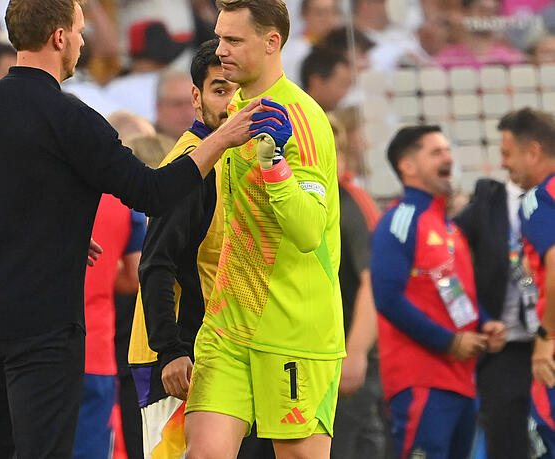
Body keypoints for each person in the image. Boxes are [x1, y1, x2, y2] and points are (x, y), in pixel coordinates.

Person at [0, 0, 270, 456]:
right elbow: (152, 192)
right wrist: (221, 139)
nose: (83, 43)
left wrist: (54, 231)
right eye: (80, 32)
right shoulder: (69, 117)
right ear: (59, 37)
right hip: (40, 324)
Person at [184, 0, 344, 457]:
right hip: (228, 326)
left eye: (234, 40)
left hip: (293, 331)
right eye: (220, 37)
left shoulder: (303, 118)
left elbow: (308, 231)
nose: (221, 50)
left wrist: (274, 165)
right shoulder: (237, 109)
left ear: (272, 42)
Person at [128, 37, 275, 459]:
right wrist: (170, 351)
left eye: (240, 91)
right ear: (196, 97)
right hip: (181, 362)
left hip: (225, 352)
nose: (232, 105)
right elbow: (155, 264)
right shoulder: (190, 166)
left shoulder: (243, 161)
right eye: (219, 90)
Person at [370, 125, 507, 459]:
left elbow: (454, 293)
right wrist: (449, 342)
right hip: (422, 380)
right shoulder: (401, 219)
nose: (448, 158)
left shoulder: (448, 227)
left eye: (447, 150)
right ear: (408, 166)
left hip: (462, 381)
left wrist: (484, 323)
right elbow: (387, 298)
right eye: (436, 152)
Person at [453, 173, 536, 457]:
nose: (504, 162)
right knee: (505, 441)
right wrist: (482, 318)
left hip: (546, 342)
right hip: (504, 346)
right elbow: (448, 265)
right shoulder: (488, 203)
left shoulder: (546, 203)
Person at [496, 108, 555, 453]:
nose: (504, 164)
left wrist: (547, 337)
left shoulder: (540, 199)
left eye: (507, 154)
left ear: (533, 152)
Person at [329, 116, 386, 459]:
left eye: (337, 150)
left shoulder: (350, 201)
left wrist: (356, 353)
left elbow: (372, 280)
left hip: (347, 359)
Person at [73, 194, 145, 459]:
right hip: (95, 350)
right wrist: (100, 274)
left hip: (35, 345)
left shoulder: (40, 184)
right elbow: (135, 275)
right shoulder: (125, 197)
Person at [300, 47, 353, 113]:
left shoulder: (326, 115)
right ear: (316, 82)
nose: (345, 93)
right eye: (342, 85)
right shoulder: (294, 115)